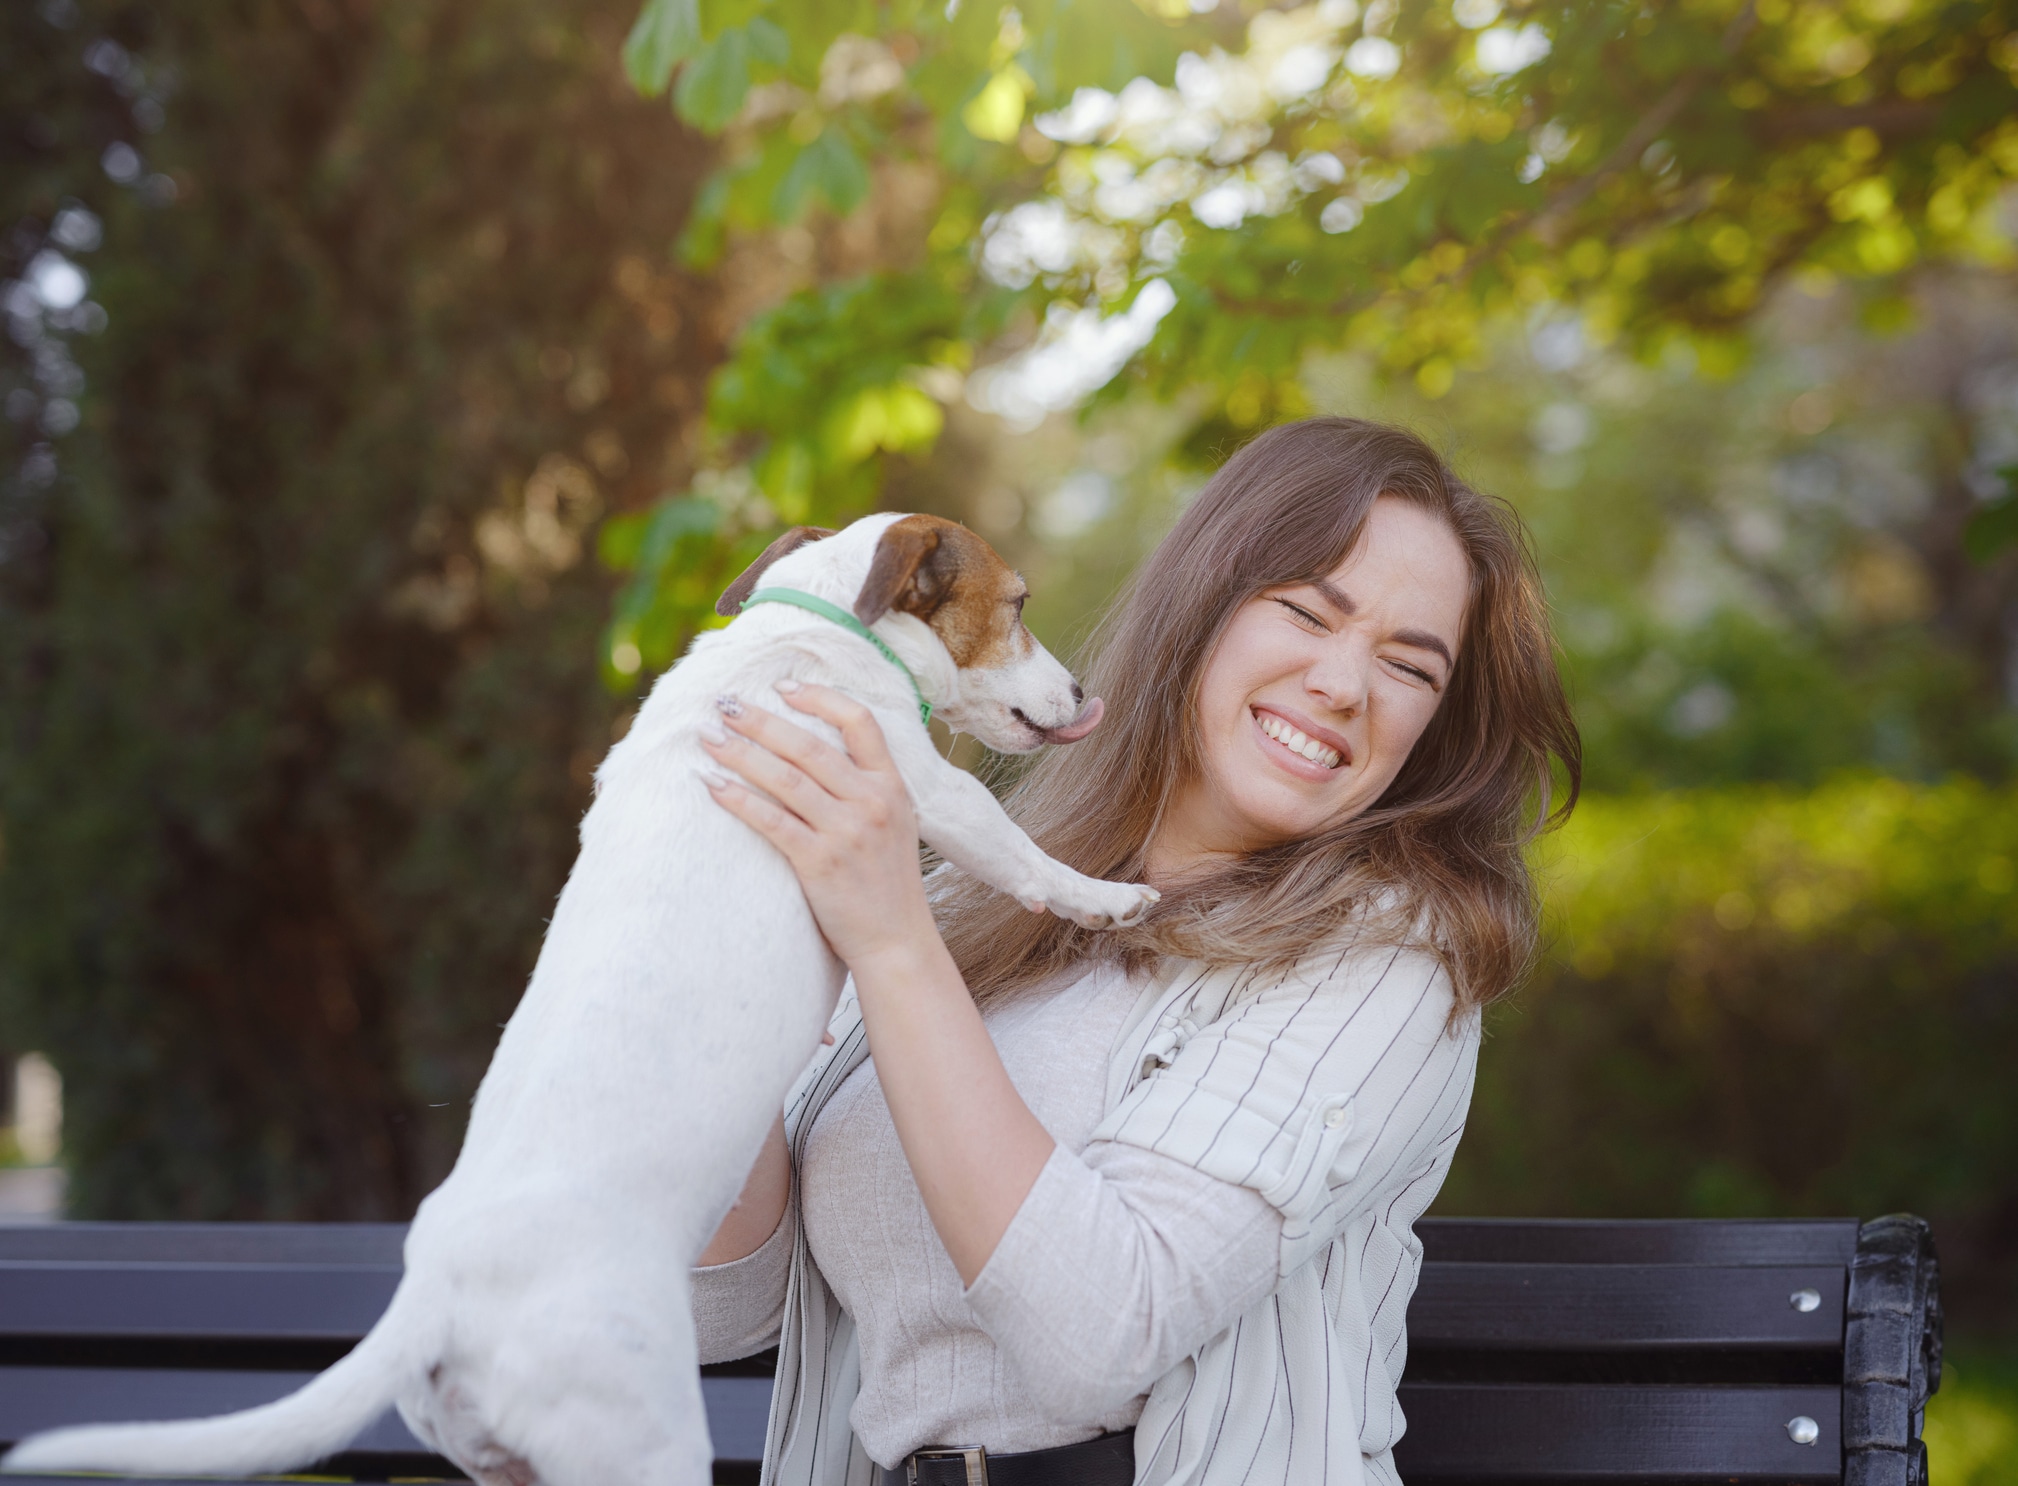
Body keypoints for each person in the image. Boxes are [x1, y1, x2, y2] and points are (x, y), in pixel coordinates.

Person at [689, 417, 1580, 1486]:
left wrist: (886, 942)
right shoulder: (963, 902)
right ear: (1201, 603)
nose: (1344, 685)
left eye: (1406, 666)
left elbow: (1099, 1330)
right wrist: (734, 960)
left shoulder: (1386, 961)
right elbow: (726, 1307)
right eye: (1304, 610)